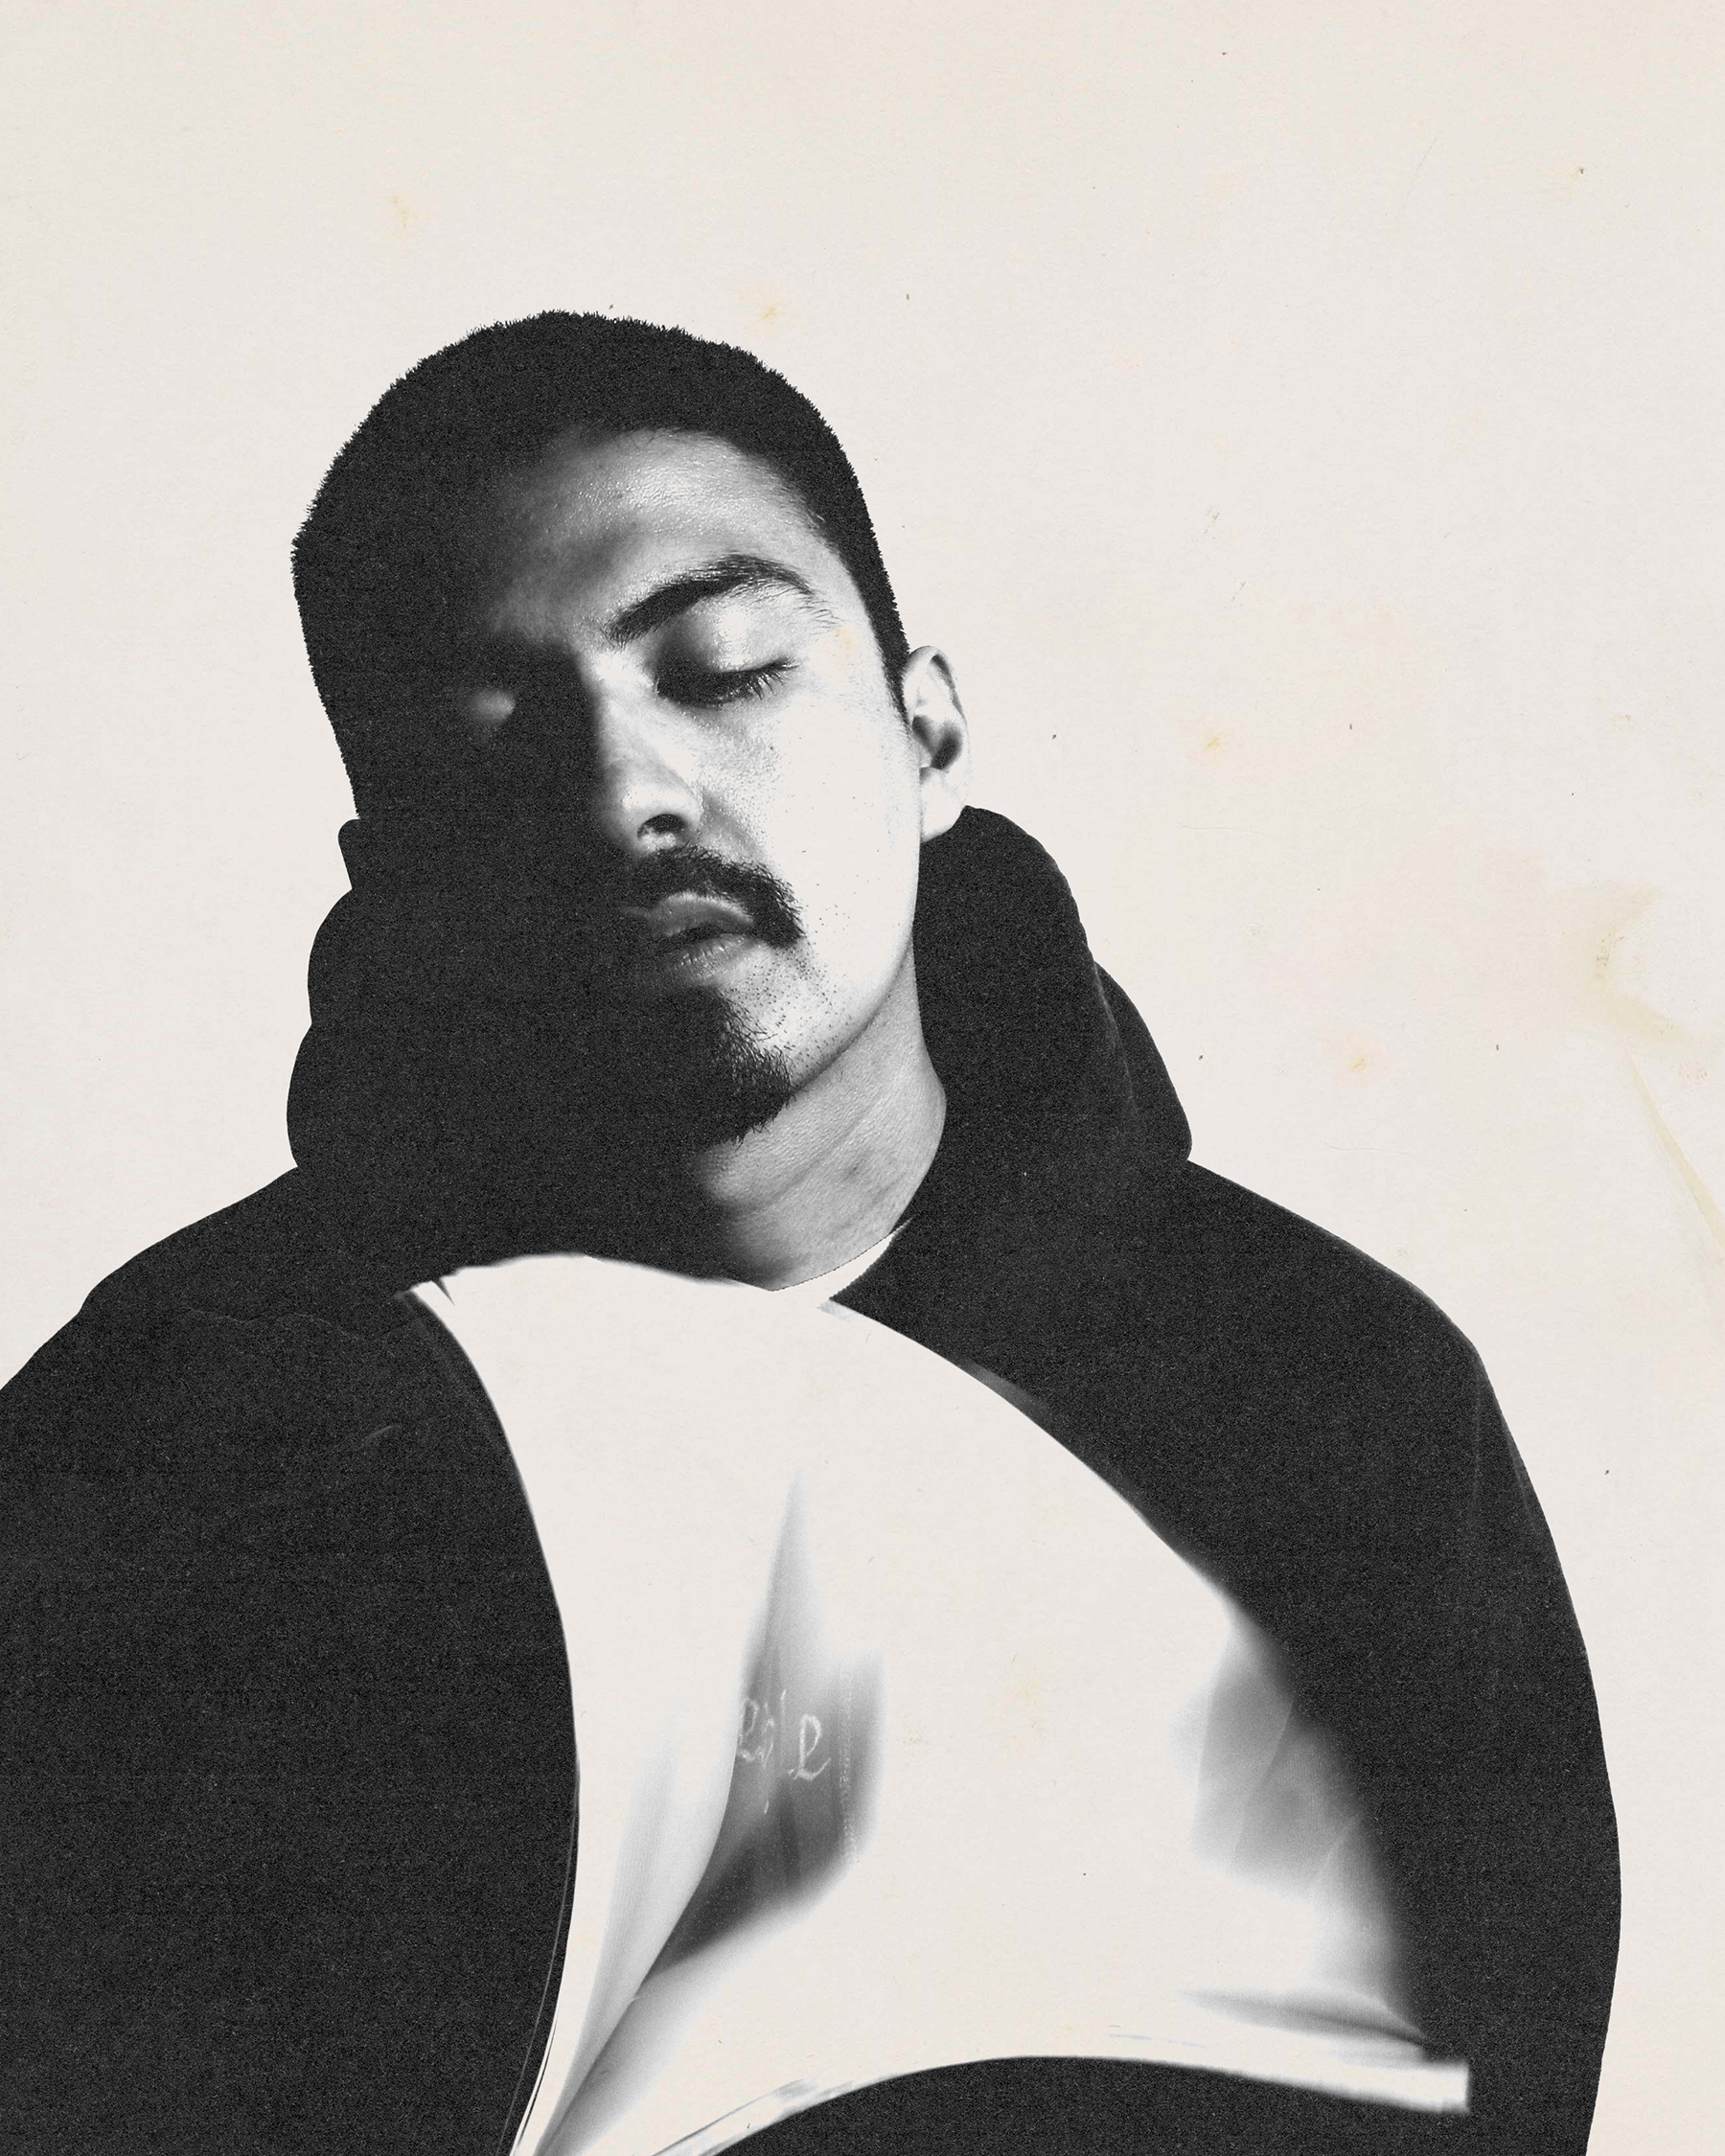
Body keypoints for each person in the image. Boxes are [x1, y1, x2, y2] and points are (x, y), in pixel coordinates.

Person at [1, 314, 1617, 2155]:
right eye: (492, 742)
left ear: (928, 731)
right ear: (392, 872)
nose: (626, 794)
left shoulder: (1330, 1406)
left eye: (725, 670)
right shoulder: (150, 1456)